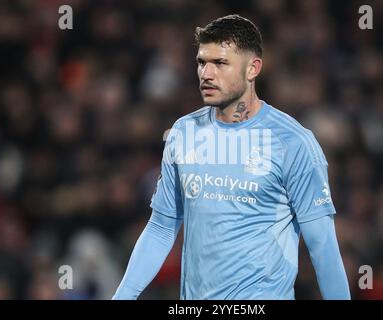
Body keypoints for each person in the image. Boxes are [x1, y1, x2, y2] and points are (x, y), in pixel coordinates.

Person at [113, 14, 350, 300]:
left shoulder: (292, 143)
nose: (206, 74)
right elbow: (162, 228)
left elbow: (322, 246)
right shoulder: (183, 132)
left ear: (253, 69)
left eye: (220, 63)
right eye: (202, 62)